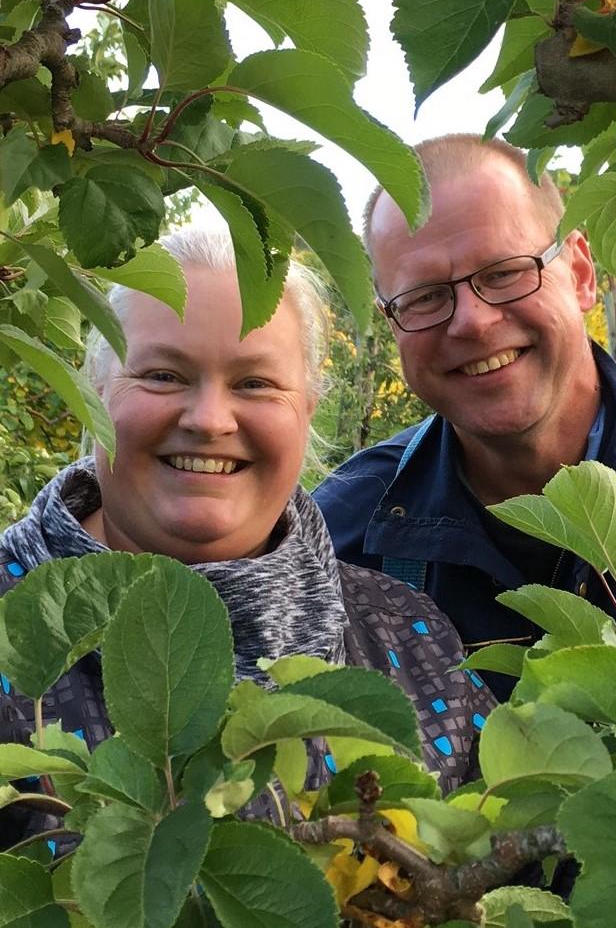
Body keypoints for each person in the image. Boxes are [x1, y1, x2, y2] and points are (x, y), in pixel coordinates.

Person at [0, 229, 496, 851]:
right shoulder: (12, 624)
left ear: (308, 405)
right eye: (161, 374)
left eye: (255, 383)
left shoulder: (408, 637)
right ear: (96, 389)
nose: (208, 419)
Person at [314, 133, 616, 701]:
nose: (471, 322)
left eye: (503, 272)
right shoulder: (344, 543)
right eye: (424, 296)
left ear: (580, 274)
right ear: (392, 323)